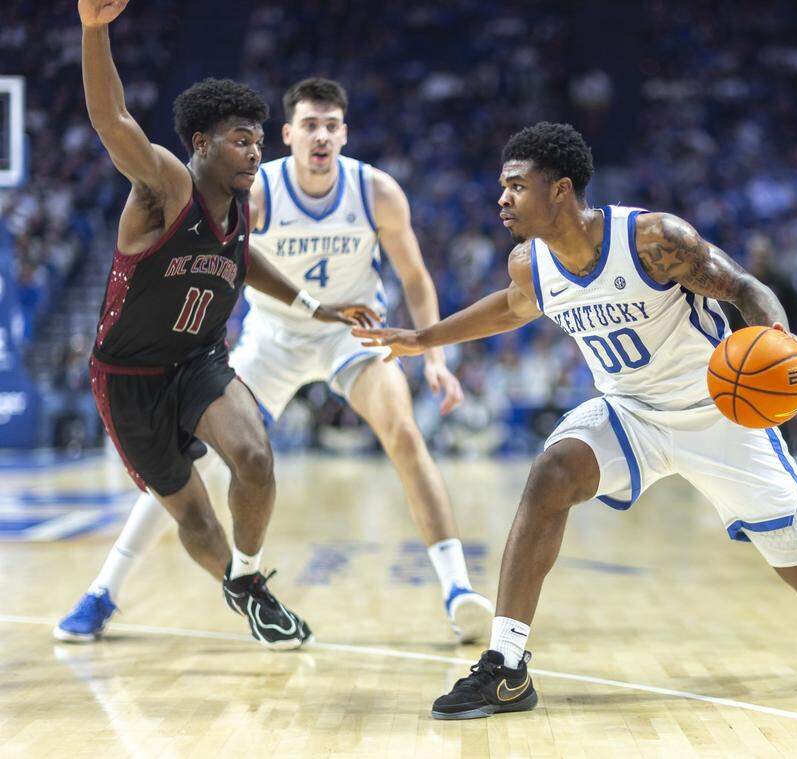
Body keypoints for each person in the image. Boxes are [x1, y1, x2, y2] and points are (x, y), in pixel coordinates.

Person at [355, 122, 797, 720]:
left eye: (516, 186)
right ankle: (506, 667)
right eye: (501, 187)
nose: (501, 199)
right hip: (629, 413)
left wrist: (778, 337)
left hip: (721, 417)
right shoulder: (530, 266)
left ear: (560, 190)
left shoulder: (652, 240)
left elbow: (743, 286)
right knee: (551, 473)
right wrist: (424, 337)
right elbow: (510, 310)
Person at [55, 76, 495, 644]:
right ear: (290, 134)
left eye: (332, 125)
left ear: (344, 134)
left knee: (404, 433)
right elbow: (225, 245)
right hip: (273, 337)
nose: (321, 135)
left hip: (347, 331)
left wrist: (434, 356)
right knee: (200, 467)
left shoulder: (375, 190)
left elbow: (413, 275)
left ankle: (457, 589)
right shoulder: (251, 188)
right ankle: (104, 589)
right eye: (310, 125)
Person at [69, 0, 375, 649]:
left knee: (256, 457)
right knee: (194, 517)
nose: (254, 151)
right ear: (202, 143)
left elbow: (245, 260)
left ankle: (249, 575)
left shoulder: (242, 208)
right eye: (241, 139)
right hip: (129, 379)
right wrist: (95, 32)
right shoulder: (165, 187)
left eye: (259, 141)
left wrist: (316, 306)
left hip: (199, 360)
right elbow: (111, 119)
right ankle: (247, 592)